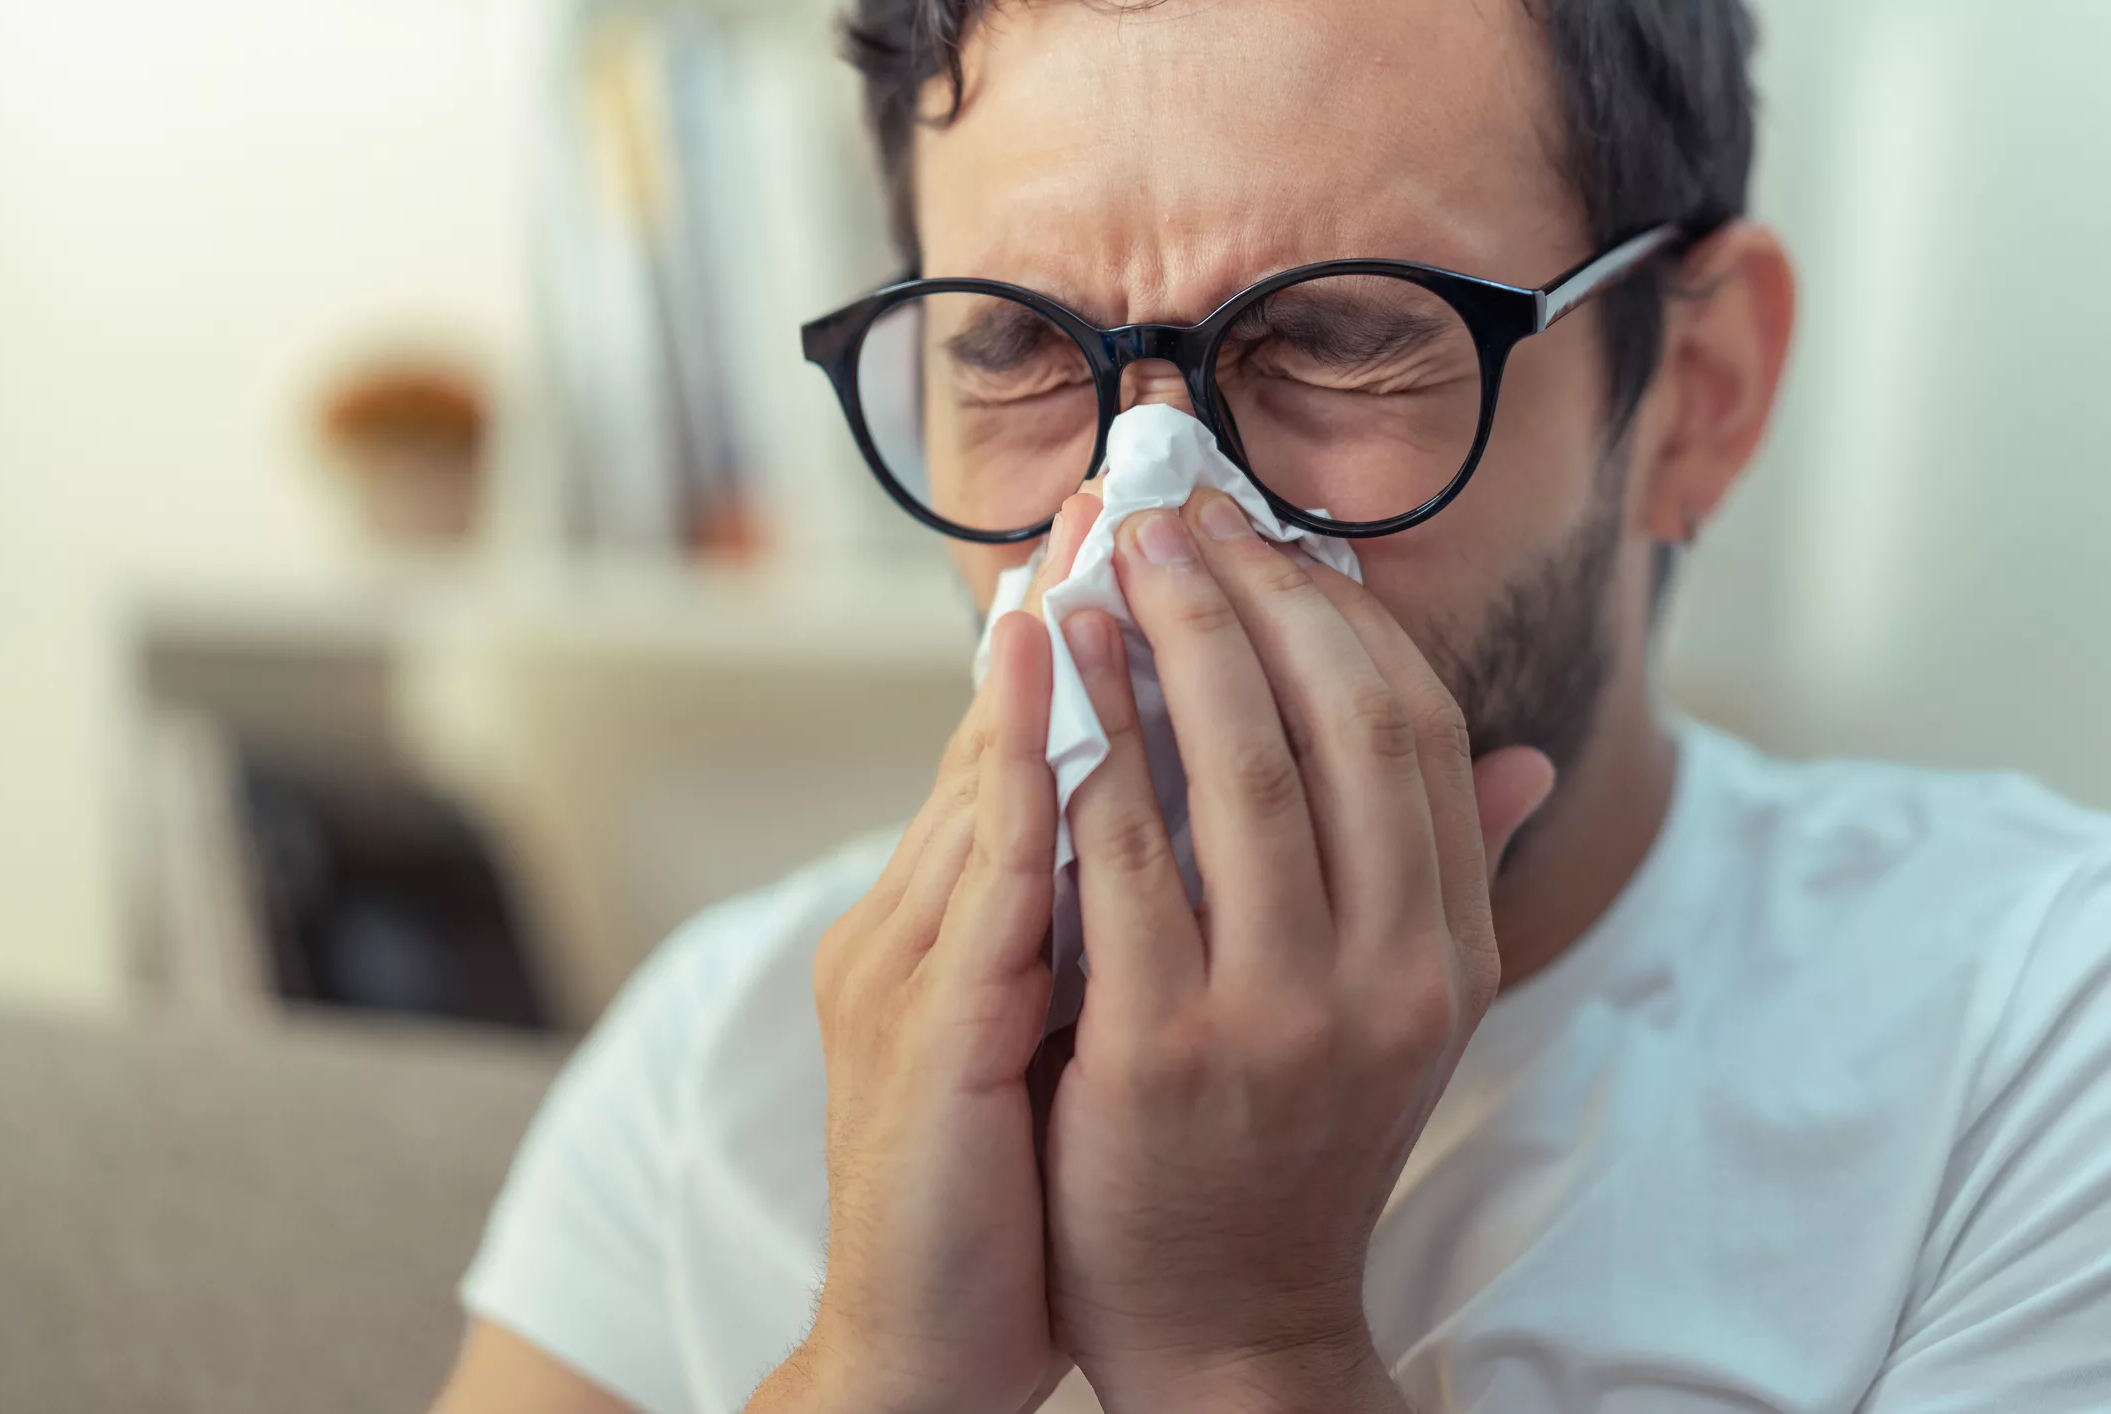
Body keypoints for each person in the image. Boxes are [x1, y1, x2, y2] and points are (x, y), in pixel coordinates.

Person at [433, 1, 2111, 1410]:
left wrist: (1239, 1342)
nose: (1146, 519)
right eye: (1013, 351)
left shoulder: (2032, 1047)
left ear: (1697, 396)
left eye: (1334, 337)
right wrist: (876, 1365)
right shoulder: (716, 1060)